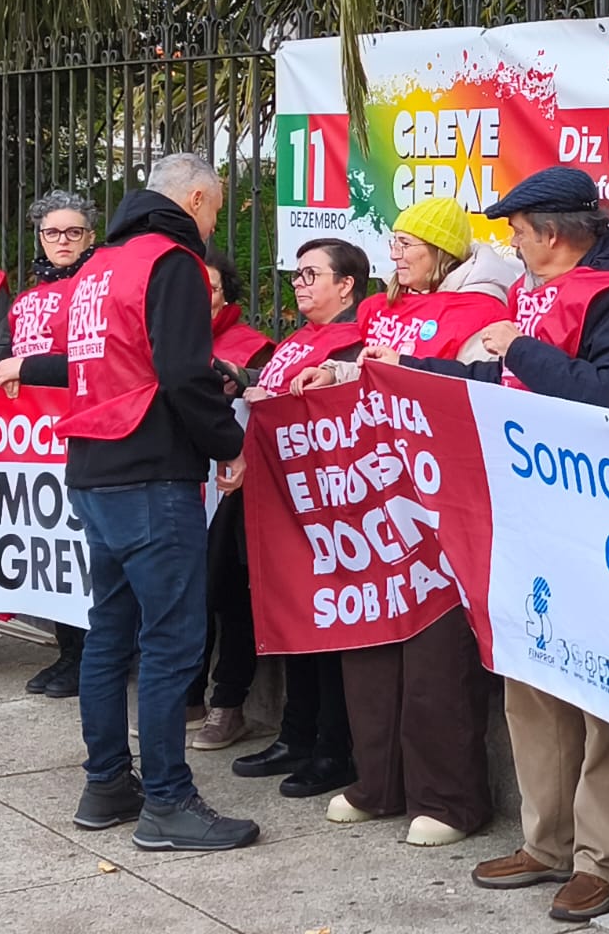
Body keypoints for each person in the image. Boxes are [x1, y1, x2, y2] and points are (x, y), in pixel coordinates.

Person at [368, 167, 609, 921]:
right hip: (530, 512)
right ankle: (546, 842)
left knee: (600, 690)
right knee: (530, 675)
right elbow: (492, 378)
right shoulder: (541, 293)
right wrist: (410, 369)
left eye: (519, 231)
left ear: (555, 233)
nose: (511, 243)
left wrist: (522, 348)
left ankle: (602, 859)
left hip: (600, 519)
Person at [0, 153, 256, 851]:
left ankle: (107, 783)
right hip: (151, 475)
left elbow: (110, 360)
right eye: (215, 207)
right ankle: (168, 801)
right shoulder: (170, 261)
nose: (214, 222)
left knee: (110, 635)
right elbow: (179, 373)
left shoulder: (98, 267)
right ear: (195, 199)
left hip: (93, 470)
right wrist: (229, 443)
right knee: (171, 643)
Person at [296, 195, 519, 848]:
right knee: (370, 646)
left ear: (441, 251)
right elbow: (370, 371)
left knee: (436, 661)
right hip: (376, 499)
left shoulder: (482, 311)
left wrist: (404, 372)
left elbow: (475, 388)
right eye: (392, 242)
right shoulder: (381, 307)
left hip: (439, 502)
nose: (394, 255)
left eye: (407, 243)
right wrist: (333, 371)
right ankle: (378, 784)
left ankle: (448, 799)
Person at [229, 238, 369, 800]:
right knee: (292, 617)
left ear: (346, 285)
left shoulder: (352, 341)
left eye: (312, 275)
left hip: (326, 504)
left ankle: (332, 748)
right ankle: (296, 733)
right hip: (278, 497)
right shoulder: (299, 339)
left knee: (327, 627)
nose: (299, 284)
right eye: (297, 275)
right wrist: (243, 382)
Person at [185, 248, 277, 749]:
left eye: (211, 288)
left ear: (227, 295)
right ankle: (188, 696)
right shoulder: (166, 337)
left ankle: (229, 703)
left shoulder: (253, 347)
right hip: (183, 485)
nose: (200, 298)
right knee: (184, 591)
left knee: (231, 594)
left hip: (233, 489)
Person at [10, 190, 99, 699]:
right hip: (31, 443)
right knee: (51, 548)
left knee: (81, 548)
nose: (62, 241)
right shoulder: (25, 300)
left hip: (80, 432)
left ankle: (89, 654)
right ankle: (68, 651)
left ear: (90, 235)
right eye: (51, 232)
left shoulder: (94, 289)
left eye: (73, 231)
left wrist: (24, 368)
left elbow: (92, 360)